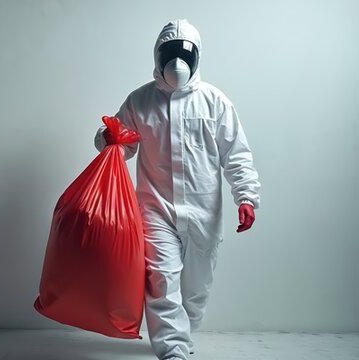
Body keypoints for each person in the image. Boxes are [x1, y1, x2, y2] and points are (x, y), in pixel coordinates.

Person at [94, 19, 261, 360]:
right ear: (157, 55)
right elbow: (121, 145)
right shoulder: (139, 101)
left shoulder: (215, 102)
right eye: (169, 53)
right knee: (161, 278)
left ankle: (184, 331)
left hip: (204, 212)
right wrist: (107, 137)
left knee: (197, 289)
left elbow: (236, 154)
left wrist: (246, 196)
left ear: (197, 56)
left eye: (185, 54)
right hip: (155, 208)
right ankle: (173, 350)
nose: (177, 63)